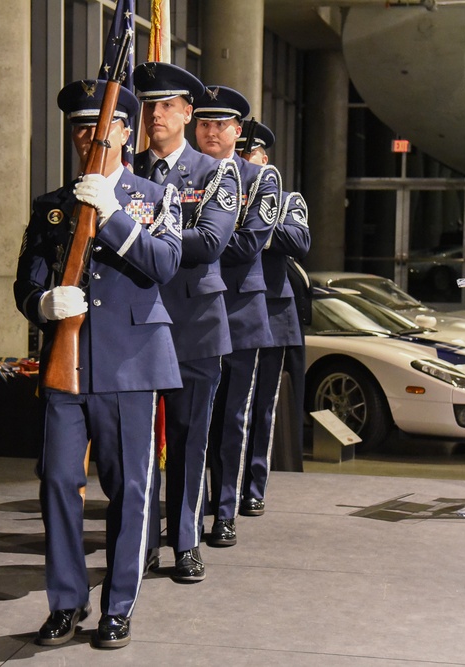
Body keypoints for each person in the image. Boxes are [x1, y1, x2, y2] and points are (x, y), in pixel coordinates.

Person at [13, 78, 184, 649]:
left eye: (101, 124)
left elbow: (164, 264)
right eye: (80, 128)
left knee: (130, 488)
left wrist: (113, 216)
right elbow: (26, 283)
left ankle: (119, 605)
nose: (89, 135)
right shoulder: (51, 208)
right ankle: (66, 602)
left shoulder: (154, 198)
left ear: (126, 131)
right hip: (69, 365)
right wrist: (43, 304)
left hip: (131, 363)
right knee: (59, 481)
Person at [132, 62, 240, 583]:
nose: (155, 114)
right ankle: (143, 540)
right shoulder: (125, 171)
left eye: (167, 105)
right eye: (149, 105)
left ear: (187, 114)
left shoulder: (215, 172)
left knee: (190, 437)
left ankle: (186, 540)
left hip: (194, 322)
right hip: (135, 325)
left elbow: (213, 241)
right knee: (137, 443)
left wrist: (140, 236)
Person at [193, 86, 282, 548]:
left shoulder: (260, 179)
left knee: (232, 418)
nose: (211, 131)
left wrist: (195, 243)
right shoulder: (180, 173)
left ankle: (224, 509)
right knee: (191, 422)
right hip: (189, 310)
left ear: (237, 131)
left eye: (221, 124)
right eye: (204, 123)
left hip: (240, 310)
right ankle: (186, 512)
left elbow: (250, 244)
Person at [235, 123, 311, 513]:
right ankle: (224, 488)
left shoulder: (285, 199)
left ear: (264, 160)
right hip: (228, 310)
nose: (242, 161)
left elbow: (299, 241)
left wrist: (255, 226)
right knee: (226, 409)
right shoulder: (219, 193)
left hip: (271, 312)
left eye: (248, 155)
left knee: (262, 406)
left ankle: (253, 487)